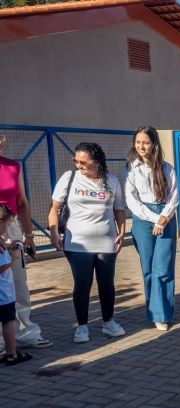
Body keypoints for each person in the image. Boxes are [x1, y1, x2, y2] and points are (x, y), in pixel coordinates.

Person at [48, 143, 127, 343]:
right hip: (78, 242)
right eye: (76, 160)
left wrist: (123, 232)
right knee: (82, 284)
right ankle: (82, 326)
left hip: (106, 240)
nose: (79, 165)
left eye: (83, 162)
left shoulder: (111, 181)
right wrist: (53, 231)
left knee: (106, 284)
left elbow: (119, 210)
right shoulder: (70, 178)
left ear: (98, 162)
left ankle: (108, 322)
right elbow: (55, 207)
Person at [0, 133, 51, 352]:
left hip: (10, 228)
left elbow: (22, 202)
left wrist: (29, 236)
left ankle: (26, 333)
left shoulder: (13, 167)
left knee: (18, 284)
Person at [124, 126, 178, 331]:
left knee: (162, 268)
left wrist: (164, 218)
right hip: (143, 219)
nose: (141, 146)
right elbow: (131, 199)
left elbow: (174, 195)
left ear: (154, 143)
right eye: (138, 142)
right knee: (148, 269)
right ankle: (154, 312)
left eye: (145, 142)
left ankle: (163, 314)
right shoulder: (131, 168)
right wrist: (156, 219)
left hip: (166, 215)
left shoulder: (167, 168)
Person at [0, 204, 32, 365]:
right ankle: (11, 352)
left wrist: (9, 245)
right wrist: (13, 257)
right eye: (7, 225)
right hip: (3, 294)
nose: (7, 229)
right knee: (8, 321)